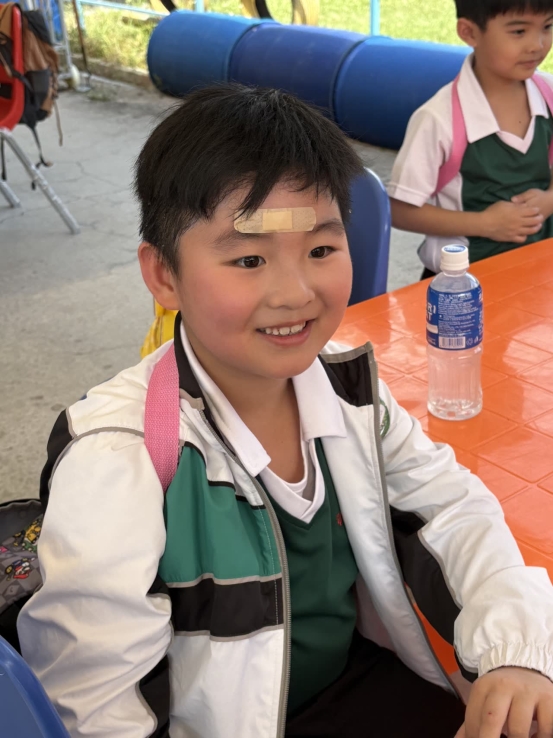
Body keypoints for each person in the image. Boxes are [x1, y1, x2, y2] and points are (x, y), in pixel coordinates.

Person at [17, 85, 553, 738]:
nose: (296, 293)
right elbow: (95, 709)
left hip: (355, 684)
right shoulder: (119, 457)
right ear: (163, 276)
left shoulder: (349, 389)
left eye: (321, 251)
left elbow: (451, 506)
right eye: (249, 259)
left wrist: (516, 649)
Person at [388, 0, 553, 277]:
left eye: (547, 27)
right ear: (469, 32)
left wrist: (550, 199)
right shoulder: (438, 118)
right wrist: (485, 224)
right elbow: (399, 210)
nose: (537, 45)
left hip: (539, 272)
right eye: (519, 31)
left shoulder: (548, 94)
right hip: (461, 285)